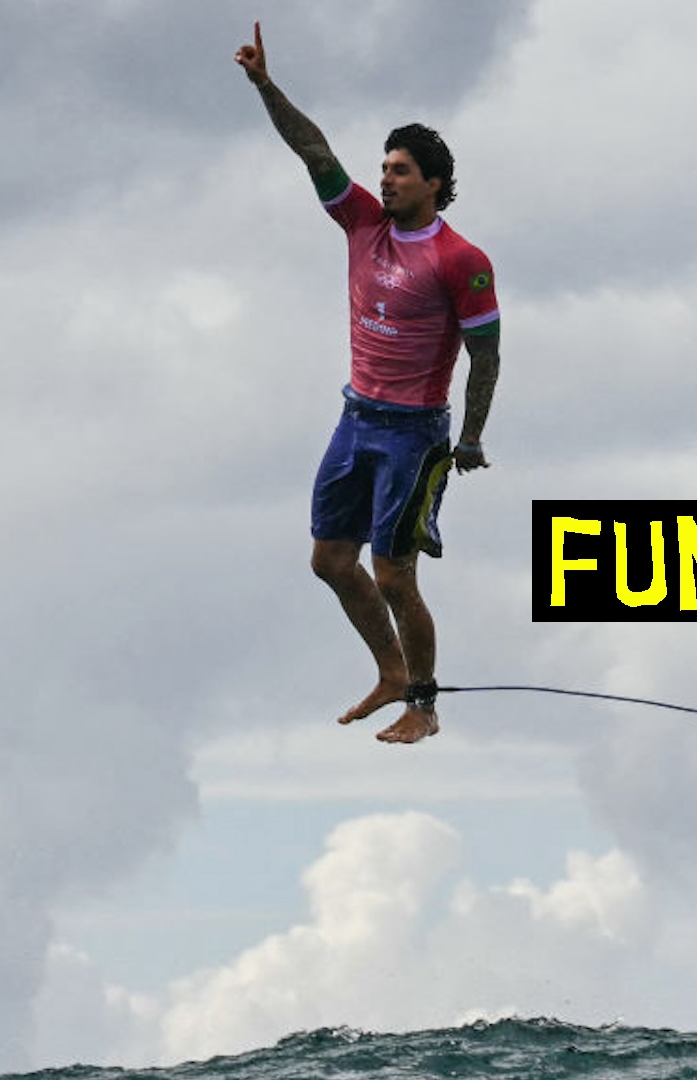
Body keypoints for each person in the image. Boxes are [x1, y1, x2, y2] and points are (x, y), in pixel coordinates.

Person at [235, 22, 501, 745]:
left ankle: (424, 702)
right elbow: (313, 149)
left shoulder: (460, 259)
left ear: (435, 184)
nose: (385, 179)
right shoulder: (361, 223)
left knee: (393, 574)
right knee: (329, 560)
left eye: (400, 171)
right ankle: (389, 670)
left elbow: (487, 354)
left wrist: (471, 437)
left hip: (414, 435)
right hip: (356, 418)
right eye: (384, 168)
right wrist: (265, 85)